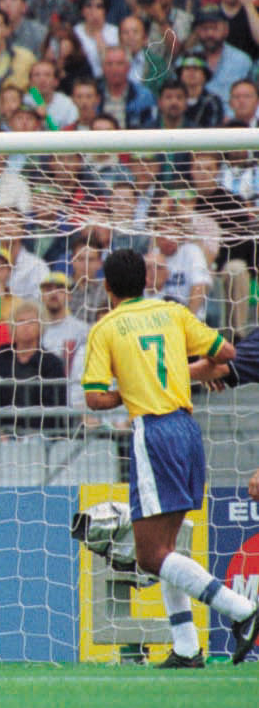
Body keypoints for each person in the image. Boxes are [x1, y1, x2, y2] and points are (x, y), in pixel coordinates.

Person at [82, 248, 258, 666]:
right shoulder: (172, 313)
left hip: (153, 432)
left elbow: (94, 399)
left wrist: (131, 388)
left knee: (149, 555)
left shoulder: (106, 328)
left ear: (106, 286)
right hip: (186, 429)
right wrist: (180, 371)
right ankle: (185, 647)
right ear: (148, 281)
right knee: (167, 546)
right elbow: (227, 354)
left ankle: (242, 610)